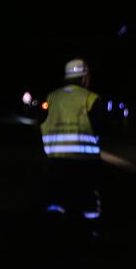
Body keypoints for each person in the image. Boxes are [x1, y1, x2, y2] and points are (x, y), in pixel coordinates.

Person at [40, 58, 105, 231]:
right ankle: (92, 235)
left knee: (55, 202)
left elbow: (42, 123)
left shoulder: (52, 97)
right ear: (84, 77)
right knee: (89, 204)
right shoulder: (91, 98)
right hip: (84, 163)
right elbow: (100, 130)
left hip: (55, 161)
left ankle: (52, 235)